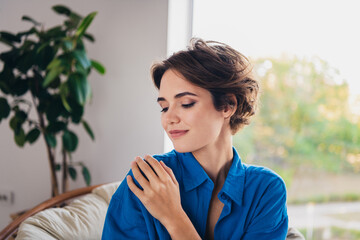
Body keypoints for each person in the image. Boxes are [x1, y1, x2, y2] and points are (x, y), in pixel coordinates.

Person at [102, 38, 288, 239]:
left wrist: (174, 217)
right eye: (164, 107)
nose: (169, 118)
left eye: (187, 103)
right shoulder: (146, 182)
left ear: (227, 105)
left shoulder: (265, 190)